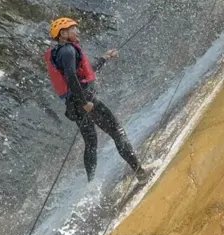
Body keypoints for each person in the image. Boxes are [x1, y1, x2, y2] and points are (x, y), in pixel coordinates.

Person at [44, 17, 151, 183]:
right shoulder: (68, 51)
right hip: (84, 100)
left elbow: (83, 72)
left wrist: (104, 58)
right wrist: (85, 102)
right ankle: (141, 174)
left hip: (73, 105)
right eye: (73, 29)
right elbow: (71, 77)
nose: (77, 31)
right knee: (116, 131)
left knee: (91, 143)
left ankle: (90, 183)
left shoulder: (59, 52)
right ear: (63, 34)